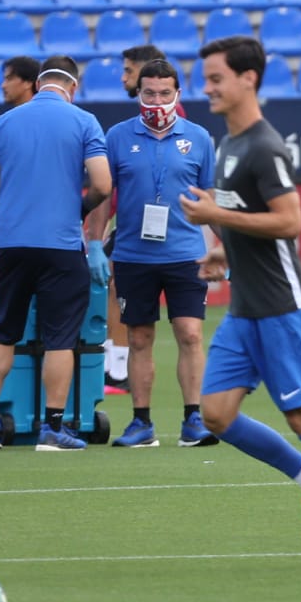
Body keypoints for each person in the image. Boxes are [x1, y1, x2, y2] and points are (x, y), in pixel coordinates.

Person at [182, 36, 301, 568]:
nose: (208, 88)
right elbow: (244, 216)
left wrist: (217, 220)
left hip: (283, 306)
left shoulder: (266, 146)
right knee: (216, 414)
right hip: (245, 307)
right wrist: (223, 249)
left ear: (249, 78)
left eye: (217, 78)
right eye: (207, 78)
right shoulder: (228, 145)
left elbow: (290, 222)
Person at [0, 55, 113, 452]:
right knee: (61, 337)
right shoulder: (83, 121)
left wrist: (9, 208)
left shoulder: (4, 122)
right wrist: (77, 210)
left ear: (38, 83)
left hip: (10, 243)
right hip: (60, 245)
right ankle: (53, 428)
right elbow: (102, 184)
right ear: (72, 87)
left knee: (4, 330)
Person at [102, 58, 220, 450]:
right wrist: (93, 244)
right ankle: (141, 423)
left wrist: (225, 247)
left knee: (190, 333)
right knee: (138, 338)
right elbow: (105, 196)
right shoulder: (118, 136)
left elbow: (211, 200)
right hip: (134, 254)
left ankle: (193, 419)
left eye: (164, 93)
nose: (156, 100)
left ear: (178, 94)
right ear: (138, 93)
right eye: (149, 92)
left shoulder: (200, 138)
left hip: (186, 253)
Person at [92, 43, 166, 391]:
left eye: (127, 70)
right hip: (133, 221)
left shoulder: (166, 117)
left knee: (120, 288)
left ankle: (119, 367)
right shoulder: (129, 127)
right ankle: (114, 359)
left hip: (148, 225)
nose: (123, 77)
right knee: (112, 286)